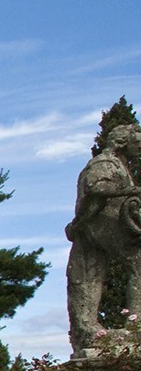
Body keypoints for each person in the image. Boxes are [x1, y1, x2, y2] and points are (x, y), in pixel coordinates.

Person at [67, 123, 141, 354]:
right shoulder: (105, 163)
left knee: (91, 274)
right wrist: (132, 192)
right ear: (122, 142)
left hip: (95, 226)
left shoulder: (117, 164)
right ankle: (135, 324)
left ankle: (89, 326)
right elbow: (96, 187)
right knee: (138, 265)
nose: (140, 147)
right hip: (103, 225)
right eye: (136, 142)